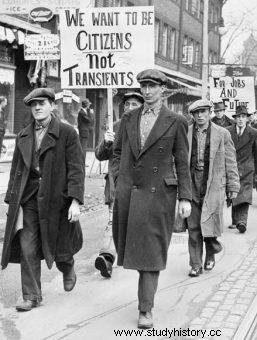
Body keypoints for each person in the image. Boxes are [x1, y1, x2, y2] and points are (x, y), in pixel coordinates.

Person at [112, 69, 192, 329]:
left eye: (152, 86)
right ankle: (145, 300)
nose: (146, 91)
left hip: (159, 194)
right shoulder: (128, 118)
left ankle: (145, 309)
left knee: (152, 252)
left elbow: (182, 162)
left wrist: (185, 198)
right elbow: (117, 153)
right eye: (143, 85)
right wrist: (117, 180)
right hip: (131, 193)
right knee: (131, 249)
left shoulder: (176, 121)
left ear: (162, 89)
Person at [1, 88, 85, 312]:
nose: (37, 107)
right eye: (33, 104)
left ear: (52, 106)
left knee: (60, 246)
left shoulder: (67, 133)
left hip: (57, 199)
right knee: (28, 246)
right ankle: (31, 295)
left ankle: (67, 267)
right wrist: (12, 200)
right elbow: (17, 170)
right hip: (28, 199)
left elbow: (76, 169)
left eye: (42, 103)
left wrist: (75, 200)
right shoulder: (23, 135)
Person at [186, 99, 239, 277]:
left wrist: (232, 185)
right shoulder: (186, 132)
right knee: (193, 226)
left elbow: (231, 161)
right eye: (196, 113)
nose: (200, 116)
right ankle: (195, 264)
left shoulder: (222, 133)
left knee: (208, 224)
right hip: (192, 182)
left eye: (203, 112)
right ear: (192, 115)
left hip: (214, 183)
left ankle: (210, 252)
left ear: (210, 113)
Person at [94, 91, 144, 278]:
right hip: (117, 184)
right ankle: (106, 257)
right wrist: (107, 143)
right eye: (127, 104)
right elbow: (99, 155)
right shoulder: (115, 127)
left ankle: (138, 257)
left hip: (141, 186)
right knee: (112, 221)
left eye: (134, 104)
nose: (129, 108)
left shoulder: (147, 129)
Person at [227, 105, 257, 233]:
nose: (240, 119)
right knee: (234, 192)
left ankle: (242, 221)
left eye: (243, 117)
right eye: (238, 117)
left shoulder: (253, 133)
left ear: (247, 119)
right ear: (235, 118)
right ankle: (236, 221)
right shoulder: (227, 131)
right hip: (231, 168)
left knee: (244, 195)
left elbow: (256, 152)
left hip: (247, 168)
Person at [77, 98, 94, 163]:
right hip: (83, 132)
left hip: (84, 132)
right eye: (88, 104)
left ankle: (82, 161)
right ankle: (82, 162)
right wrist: (91, 113)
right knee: (83, 147)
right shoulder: (82, 112)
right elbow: (89, 120)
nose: (89, 106)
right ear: (86, 105)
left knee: (83, 147)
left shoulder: (84, 112)